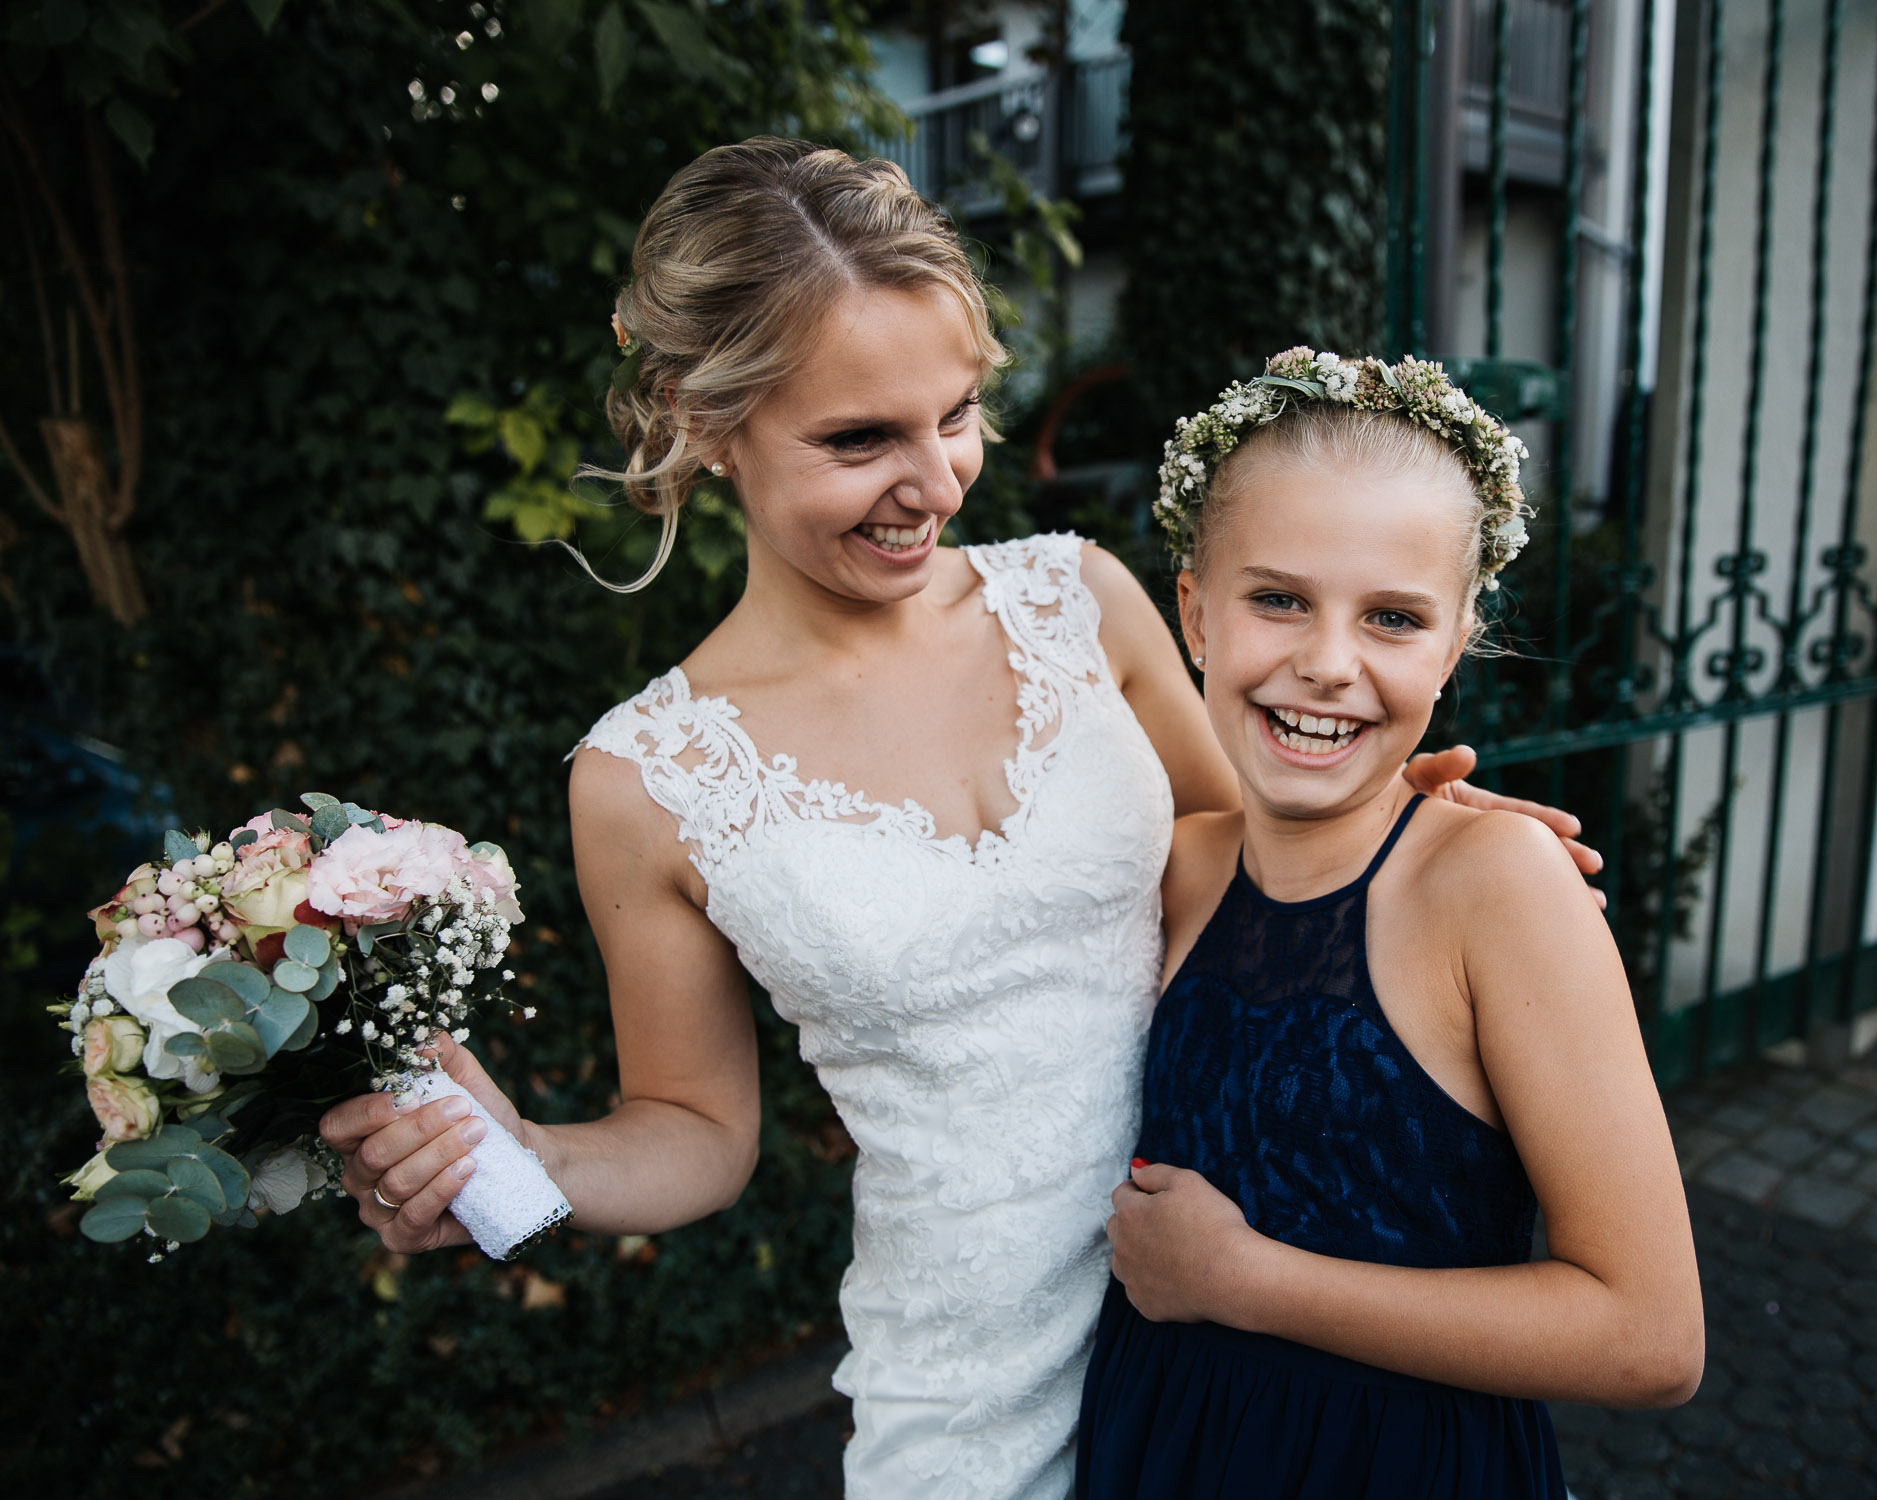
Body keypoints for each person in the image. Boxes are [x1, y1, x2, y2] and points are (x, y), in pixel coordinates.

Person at [314, 140, 1600, 1499]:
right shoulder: (643, 779)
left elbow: (1263, 868)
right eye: (859, 439)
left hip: (1233, 1310)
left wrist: (1431, 843)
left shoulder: (1079, 602)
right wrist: (526, 1154)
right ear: (703, 418)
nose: (934, 481)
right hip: (975, 1380)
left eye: (956, 414)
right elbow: (694, 1127)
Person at [1077, 352, 1702, 1499]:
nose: (1327, 664)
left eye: (1394, 618)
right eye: (1278, 599)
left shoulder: (1499, 885)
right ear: (1193, 611)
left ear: (1457, 640)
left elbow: (1651, 1337)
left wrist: (1247, 1280)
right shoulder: (1171, 867)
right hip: (1161, 1443)